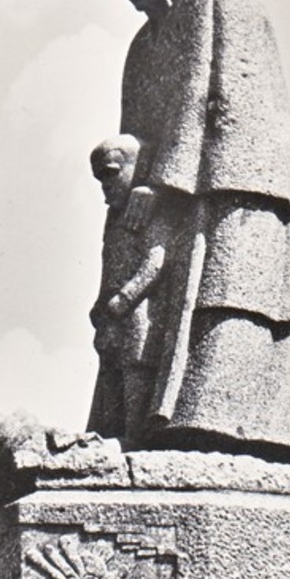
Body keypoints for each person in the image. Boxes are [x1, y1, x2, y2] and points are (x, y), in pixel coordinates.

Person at [93, 0, 290, 464]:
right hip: (179, 189)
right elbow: (137, 131)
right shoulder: (145, 43)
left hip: (240, 184)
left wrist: (162, 184)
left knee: (230, 296)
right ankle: (151, 422)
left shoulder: (217, 1)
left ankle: (218, 424)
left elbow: (209, 98)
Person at [87, 134, 172, 449]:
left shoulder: (148, 215)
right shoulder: (114, 222)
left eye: (111, 174)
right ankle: (116, 429)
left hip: (136, 311)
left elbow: (157, 260)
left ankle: (135, 433)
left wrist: (125, 297)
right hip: (111, 313)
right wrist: (101, 306)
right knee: (112, 367)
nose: (106, 186)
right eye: (101, 179)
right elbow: (109, 267)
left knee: (135, 364)